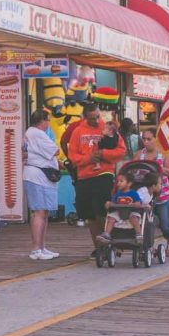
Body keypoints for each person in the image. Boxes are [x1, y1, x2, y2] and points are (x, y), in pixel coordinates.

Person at [63, 100, 125, 250]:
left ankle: (108, 242)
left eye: (98, 116)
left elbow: (121, 151)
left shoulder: (107, 127)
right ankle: (98, 248)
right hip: (84, 176)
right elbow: (73, 156)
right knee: (89, 215)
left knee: (102, 210)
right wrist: (88, 159)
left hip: (104, 173)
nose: (96, 121)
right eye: (92, 118)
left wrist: (103, 154)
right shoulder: (78, 131)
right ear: (84, 117)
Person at [22, 108, 62, 260]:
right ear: (42, 121)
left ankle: (42, 247)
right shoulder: (37, 134)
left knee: (44, 212)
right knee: (39, 212)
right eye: (48, 120)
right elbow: (55, 151)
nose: (49, 123)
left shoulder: (29, 133)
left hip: (40, 176)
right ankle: (36, 249)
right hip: (37, 177)